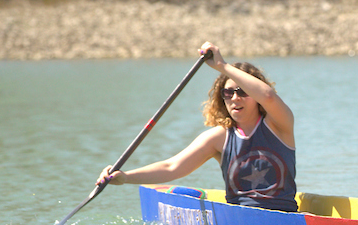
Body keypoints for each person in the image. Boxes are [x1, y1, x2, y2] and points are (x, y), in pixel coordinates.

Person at [98, 42, 298, 212]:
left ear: (256, 97)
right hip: (239, 217)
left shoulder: (279, 125)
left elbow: (269, 96)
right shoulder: (218, 138)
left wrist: (222, 66)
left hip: (283, 214)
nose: (235, 98)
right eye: (228, 93)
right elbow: (172, 167)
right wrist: (124, 177)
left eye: (243, 91)